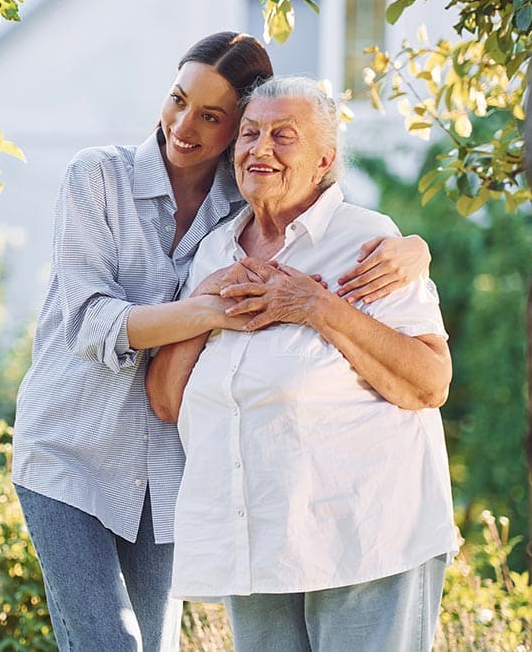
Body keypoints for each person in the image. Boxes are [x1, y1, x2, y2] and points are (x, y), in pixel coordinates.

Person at [13, 33, 433, 652]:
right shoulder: (98, 178)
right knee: (109, 642)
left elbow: (324, 211)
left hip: (166, 465)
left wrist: (416, 250)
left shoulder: (240, 206)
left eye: (212, 117)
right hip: (71, 449)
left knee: (151, 647)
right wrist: (206, 307)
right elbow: (87, 320)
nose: (184, 126)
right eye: (178, 99)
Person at [147, 76, 457, 652]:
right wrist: (207, 304)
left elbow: (429, 381)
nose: (260, 149)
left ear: (324, 160)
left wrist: (318, 307)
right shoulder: (215, 250)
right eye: (249, 133)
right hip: (257, 546)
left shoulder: (368, 242)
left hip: (364, 539)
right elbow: (167, 401)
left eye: (282, 136)